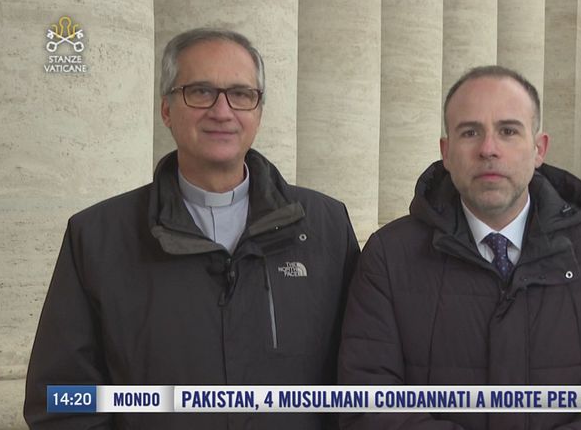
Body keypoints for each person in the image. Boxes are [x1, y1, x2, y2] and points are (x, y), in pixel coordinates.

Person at [25, 28, 359, 429]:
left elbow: (359, 378)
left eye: (241, 94)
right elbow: (62, 399)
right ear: (166, 110)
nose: (222, 111)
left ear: (258, 112)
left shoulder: (326, 226)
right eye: (200, 92)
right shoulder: (97, 237)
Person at [338, 65, 581, 429]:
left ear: (539, 149)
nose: (488, 149)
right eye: (470, 132)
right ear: (446, 152)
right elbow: (367, 402)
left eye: (508, 131)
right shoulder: (389, 256)